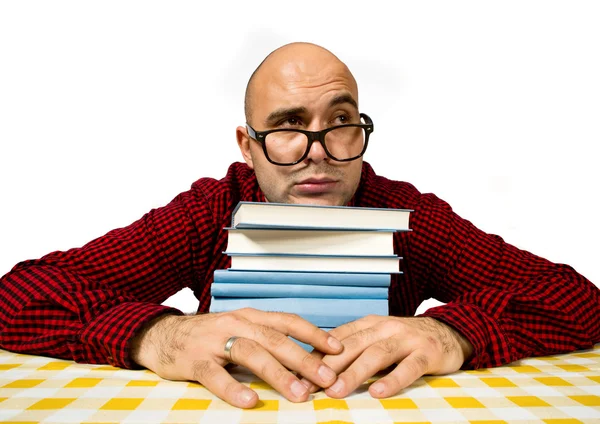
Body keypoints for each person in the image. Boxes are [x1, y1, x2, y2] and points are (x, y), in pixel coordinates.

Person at [0, 42, 598, 409]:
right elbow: (18, 294)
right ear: (248, 144)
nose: (318, 151)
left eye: (339, 121)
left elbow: (575, 297)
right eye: (288, 125)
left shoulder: (407, 217)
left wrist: (453, 335)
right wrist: (158, 335)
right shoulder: (208, 213)